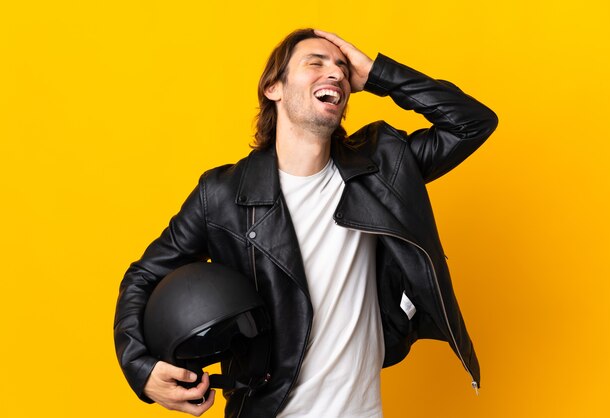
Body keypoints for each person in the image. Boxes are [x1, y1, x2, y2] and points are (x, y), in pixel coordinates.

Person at [114, 28, 498, 417]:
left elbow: (472, 122)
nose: (335, 74)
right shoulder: (222, 195)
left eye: (342, 69)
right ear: (273, 88)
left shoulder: (381, 168)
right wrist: (141, 369)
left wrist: (378, 73)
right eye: (315, 62)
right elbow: (143, 276)